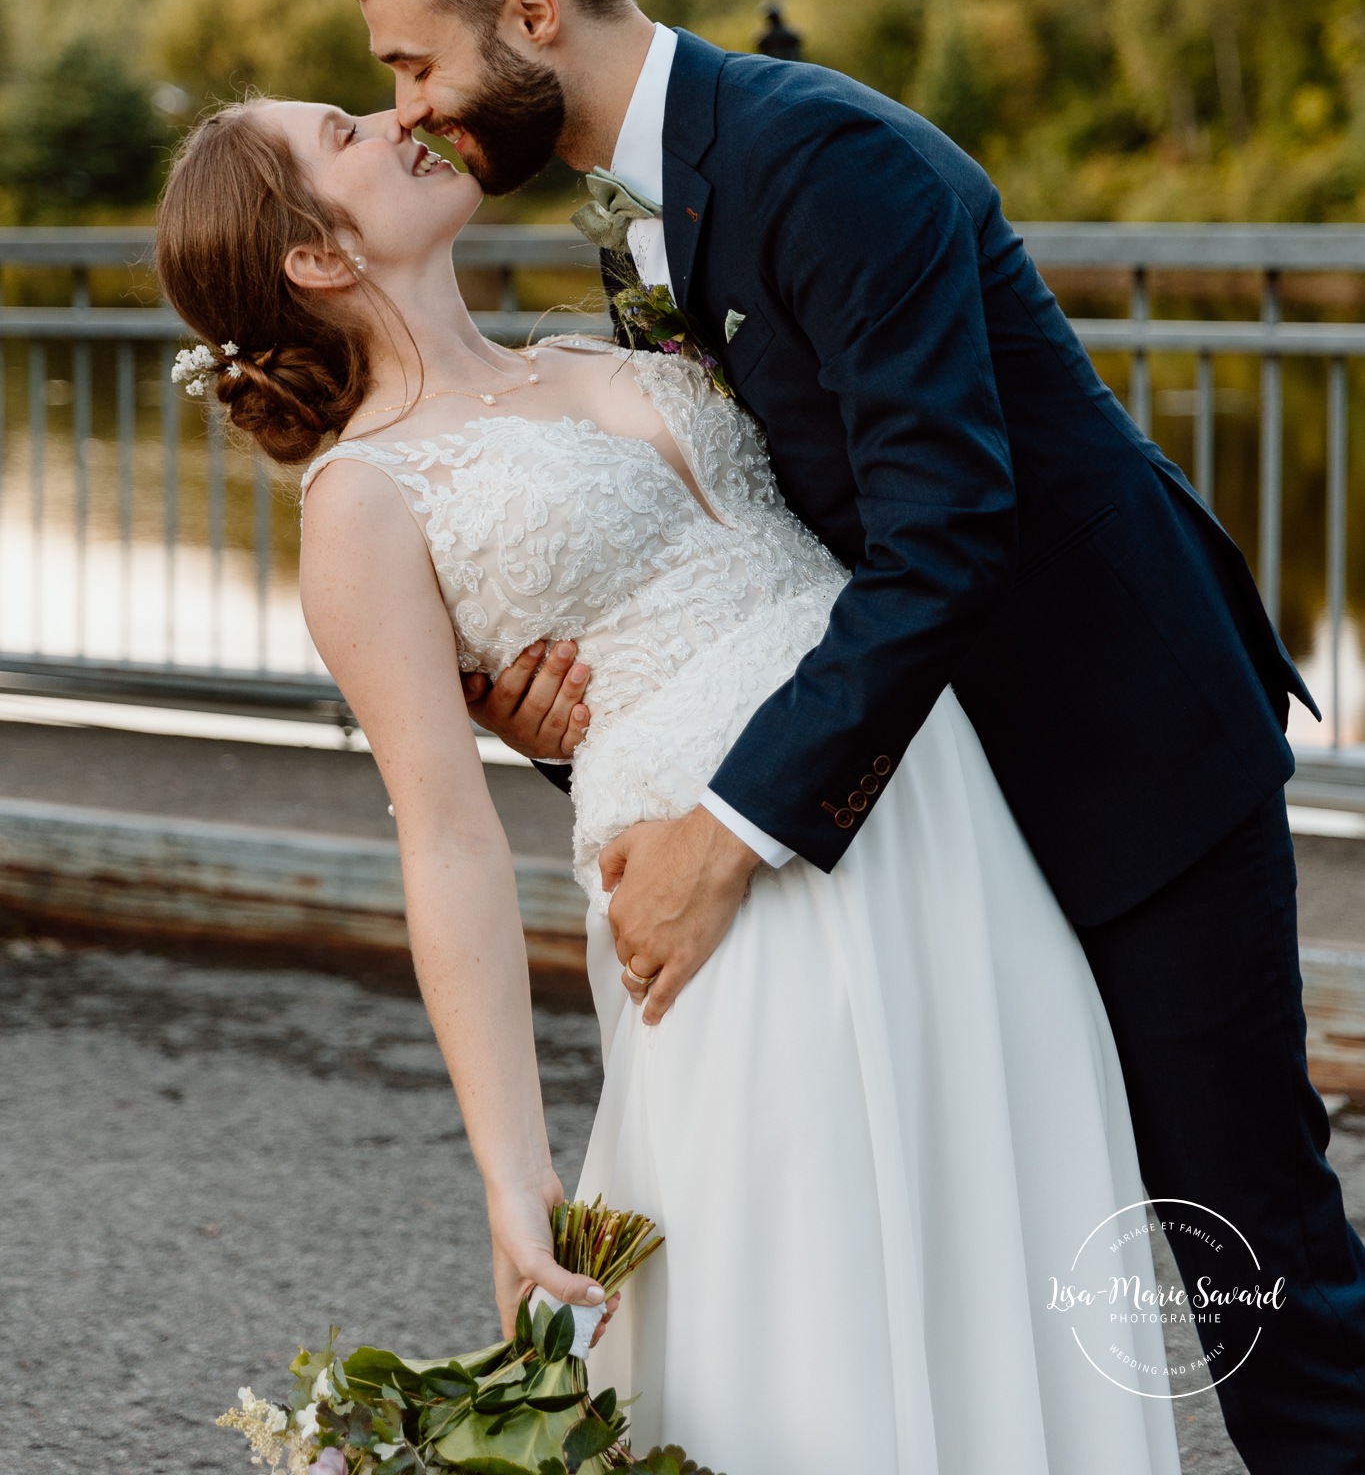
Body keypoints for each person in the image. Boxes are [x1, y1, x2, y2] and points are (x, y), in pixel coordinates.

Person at [329, 0, 1365, 1472]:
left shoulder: (825, 158)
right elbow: (757, 536)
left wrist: (729, 831)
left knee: (1242, 1260)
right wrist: (589, 707)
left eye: (411, 64)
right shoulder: (643, 210)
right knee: (985, 1247)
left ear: (530, 11)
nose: (407, 112)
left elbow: (947, 528)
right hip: (920, 810)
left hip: (1114, 753)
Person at [157, 96, 1180, 1472]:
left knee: (998, 1237)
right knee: (823, 1317)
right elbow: (445, 841)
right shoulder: (364, 500)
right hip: (730, 901)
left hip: (934, 803)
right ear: (316, 260)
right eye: (344, 131)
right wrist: (513, 1182)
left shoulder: (603, 340)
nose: (399, 119)